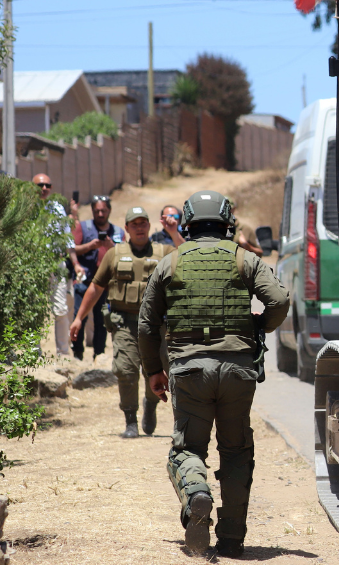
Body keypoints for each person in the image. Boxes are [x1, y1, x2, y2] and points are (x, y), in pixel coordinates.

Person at [138, 190, 289, 556]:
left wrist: (154, 371)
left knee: (187, 449)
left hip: (189, 371)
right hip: (237, 371)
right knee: (236, 450)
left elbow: (146, 325)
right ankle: (233, 539)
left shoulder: (170, 262)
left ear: (187, 224)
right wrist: (260, 327)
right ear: (227, 223)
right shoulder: (244, 259)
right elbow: (280, 300)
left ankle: (196, 495)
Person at [70, 207, 172, 438]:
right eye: (134, 224)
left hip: (156, 325)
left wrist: (173, 232)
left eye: (143, 223)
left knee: (155, 369)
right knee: (125, 369)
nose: (139, 228)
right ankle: (130, 420)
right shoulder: (114, 254)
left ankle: (151, 404)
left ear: (149, 226)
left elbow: (186, 257)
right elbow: (96, 287)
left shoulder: (164, 252)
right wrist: (78, 318)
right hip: (124, 323)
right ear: (126, 228)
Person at [34, 174, 84, 358]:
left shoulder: (57, 208)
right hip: (35, 265)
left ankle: (63, 353)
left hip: (57, 263)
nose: (44, 188)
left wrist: (75, 264)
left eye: (47, 185)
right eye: (40, 185)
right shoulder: (28, 208)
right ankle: (34, 353)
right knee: (35, 310)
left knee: (61, 309)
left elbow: (67, 239)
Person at [72, 195, 126, 360]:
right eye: (97, 211)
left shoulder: (118, 232)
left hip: (106, 285)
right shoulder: (83, 227)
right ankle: (77, 354)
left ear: (109, 210)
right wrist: (90, 246)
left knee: (102, 321)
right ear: (92, 211)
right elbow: (72, 249)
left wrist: (112, 247)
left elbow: (125, 256)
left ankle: (99, 354)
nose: (100, 214)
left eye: (103, 210)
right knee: (79, 317)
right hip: (84, 281)